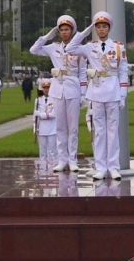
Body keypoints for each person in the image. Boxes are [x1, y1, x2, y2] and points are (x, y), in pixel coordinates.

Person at [30, 14, 90, 173]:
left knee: (73, 128)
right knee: (60, 127)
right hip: (57, 88)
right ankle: (62, 160)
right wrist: (46, 36)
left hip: (73, 88)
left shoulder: (78, 49)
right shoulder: (53, 47)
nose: (64, 32)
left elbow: (83, 73)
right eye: (61, 30)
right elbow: (33, 50)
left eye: (67, 29)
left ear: (72, 31)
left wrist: (83, 93)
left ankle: (73, 159)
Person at [73, 10, 128, 180]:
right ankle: (101, 167)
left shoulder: (118, 47)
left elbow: (123, 71)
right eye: (98, 27)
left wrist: (123, 94)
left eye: (104, 26)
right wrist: (84, 32)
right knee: (99, 131)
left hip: (112, 90)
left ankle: (113, 167)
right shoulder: (90, 46)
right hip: (96, 91)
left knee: (112, 131)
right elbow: (70, 48)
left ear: (109, 28)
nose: (101, 29)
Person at [33, 78, 57, 167]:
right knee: (42, 152)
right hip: (42, 128)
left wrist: (41, 114)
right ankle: (43, 169)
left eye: (48, 88)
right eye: (44, 88)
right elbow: (34, 116)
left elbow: (53, 114)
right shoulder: (38, 100)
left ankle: (52, 168)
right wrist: (35, 129)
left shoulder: (54, 100)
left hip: (52, 128)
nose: (46, 90)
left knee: (52, 151)